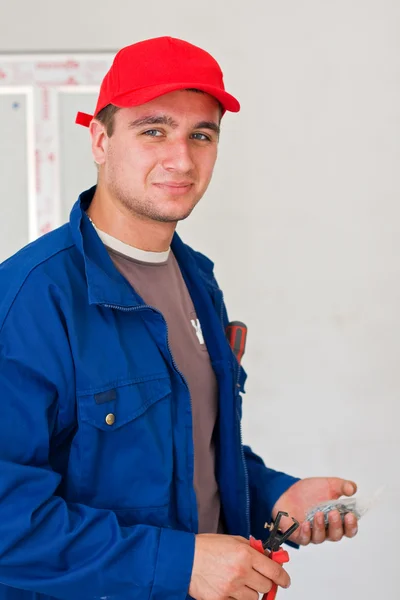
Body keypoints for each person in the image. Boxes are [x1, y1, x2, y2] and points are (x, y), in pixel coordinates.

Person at [0, 36, 358, 600]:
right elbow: (6, 523)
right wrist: (179, 563)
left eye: (202, 135)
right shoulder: (31, 300)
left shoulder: (197, 280)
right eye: (153, 130)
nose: (181, 159)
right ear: (99, 138)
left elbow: (192, 449)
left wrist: (276, 496)